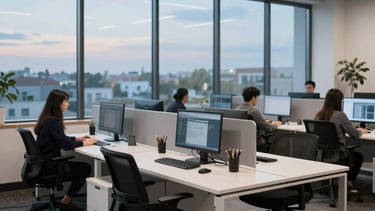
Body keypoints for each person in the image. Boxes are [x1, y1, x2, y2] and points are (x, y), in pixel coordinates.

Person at [34, 89, 97, 205]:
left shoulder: (47, 119)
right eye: (66, 101)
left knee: (82, 167)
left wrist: (76, 139)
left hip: (42, 164)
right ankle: (66, 200)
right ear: (58, 103)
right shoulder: (53, 121)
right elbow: (66, 145)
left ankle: (67, 200)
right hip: (50, 166)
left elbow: (59, 138)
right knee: (85, 168)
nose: (68, 104)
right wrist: (86, 143)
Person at [315, 88, 367, 193]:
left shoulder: (319, 115)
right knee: (358, 157)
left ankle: (328, 183)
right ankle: (348, 183)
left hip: (321, 154)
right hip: (337, 154)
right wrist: (362, 131)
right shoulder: (340, 115)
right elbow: (354, 134)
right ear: (339, 101)